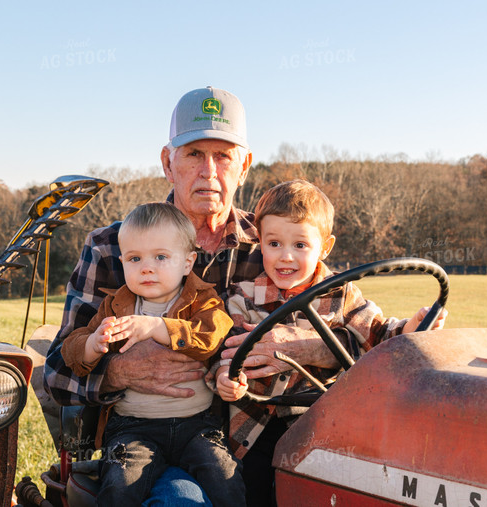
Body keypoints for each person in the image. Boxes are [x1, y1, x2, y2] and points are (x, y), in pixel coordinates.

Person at [43, 86, 427, 504]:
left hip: (248, 437)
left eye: (223, 156)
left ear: (243, 166)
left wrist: (306, 346)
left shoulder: (273, 243)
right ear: (167, 163)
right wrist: (121, 372)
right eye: (193, 154)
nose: (209, 171)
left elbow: (346, 319)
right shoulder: (113, 246)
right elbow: (57, 374)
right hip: (144, 434)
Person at [212, 181, 447, 505]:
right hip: (253, 427)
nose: (286, 257)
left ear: (325, 247)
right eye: (275, 243)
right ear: (260, 244)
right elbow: (226, 356)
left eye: (300, 245)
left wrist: (411, 326)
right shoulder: (241, 298)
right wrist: (226, 379)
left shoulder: (342, 294)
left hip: (319, 424)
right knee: (248, 490)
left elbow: (378, 333)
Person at [59, 202, 243, 506]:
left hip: (195, 424)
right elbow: (71, 347)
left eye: (160, 257)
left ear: (187, 263)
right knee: (120, 484)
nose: (146, 267)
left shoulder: (202, 300)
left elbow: (212, 336)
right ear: (123, 263)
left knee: (224, 475)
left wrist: (158, 327)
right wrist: (93, 343)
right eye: (135, 258)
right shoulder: (116, 306)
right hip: (133, 425)